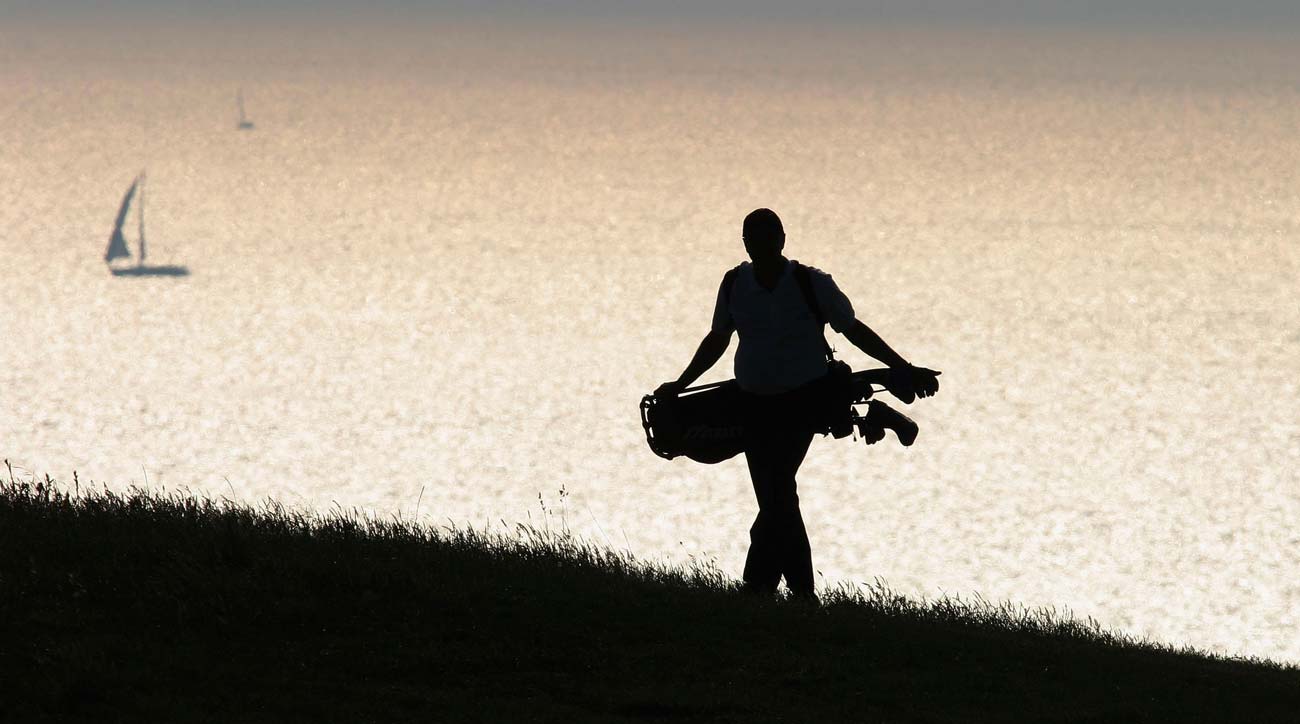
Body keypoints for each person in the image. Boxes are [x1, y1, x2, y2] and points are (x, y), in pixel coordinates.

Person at [655, 208, 938, 598]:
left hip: (803, 403)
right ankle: (780, 594)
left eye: (767, 237)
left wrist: (901, 366)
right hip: (752, 403)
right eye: (752, 238)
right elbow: (718, 338)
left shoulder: (811, 283)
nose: (760, 245)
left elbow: (852, 329)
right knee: (777, 498)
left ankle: (774, 592)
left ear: (782, 239)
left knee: (776, 496)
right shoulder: (734, 283)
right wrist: (681, 383)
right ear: (745, 244)